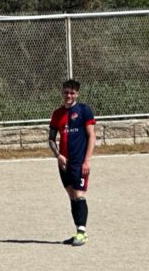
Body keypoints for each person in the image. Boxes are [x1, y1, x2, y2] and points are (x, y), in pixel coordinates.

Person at [48, 79, 96, 247]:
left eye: (72, 93)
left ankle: (82, 233)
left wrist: (87, 160)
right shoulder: (57, 113)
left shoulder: (84, 110)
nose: (68, 95)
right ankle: (78, 231)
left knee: (79, 194)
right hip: (64, 162)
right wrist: (58, 156)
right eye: (66, 92)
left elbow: (91, 136)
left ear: (77, 94)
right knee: (71, 194)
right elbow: (51, 139)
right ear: (62, 93)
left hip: (79, 161)